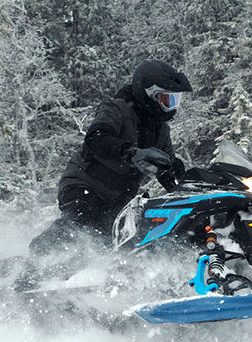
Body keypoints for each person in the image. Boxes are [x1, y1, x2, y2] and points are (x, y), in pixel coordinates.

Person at [27, 59, 192, 260]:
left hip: (119, 198)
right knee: (80, 225)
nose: (170, 107)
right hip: (85, 184)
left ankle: (93, 281)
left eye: (175, 100)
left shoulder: (161, 130)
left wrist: (190, 186)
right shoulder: (116, 109)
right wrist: (131, 152)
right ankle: (34, 263)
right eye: (166, 100)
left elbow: (168, 166)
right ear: (148, 94)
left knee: (112, 246)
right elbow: (97, 138)